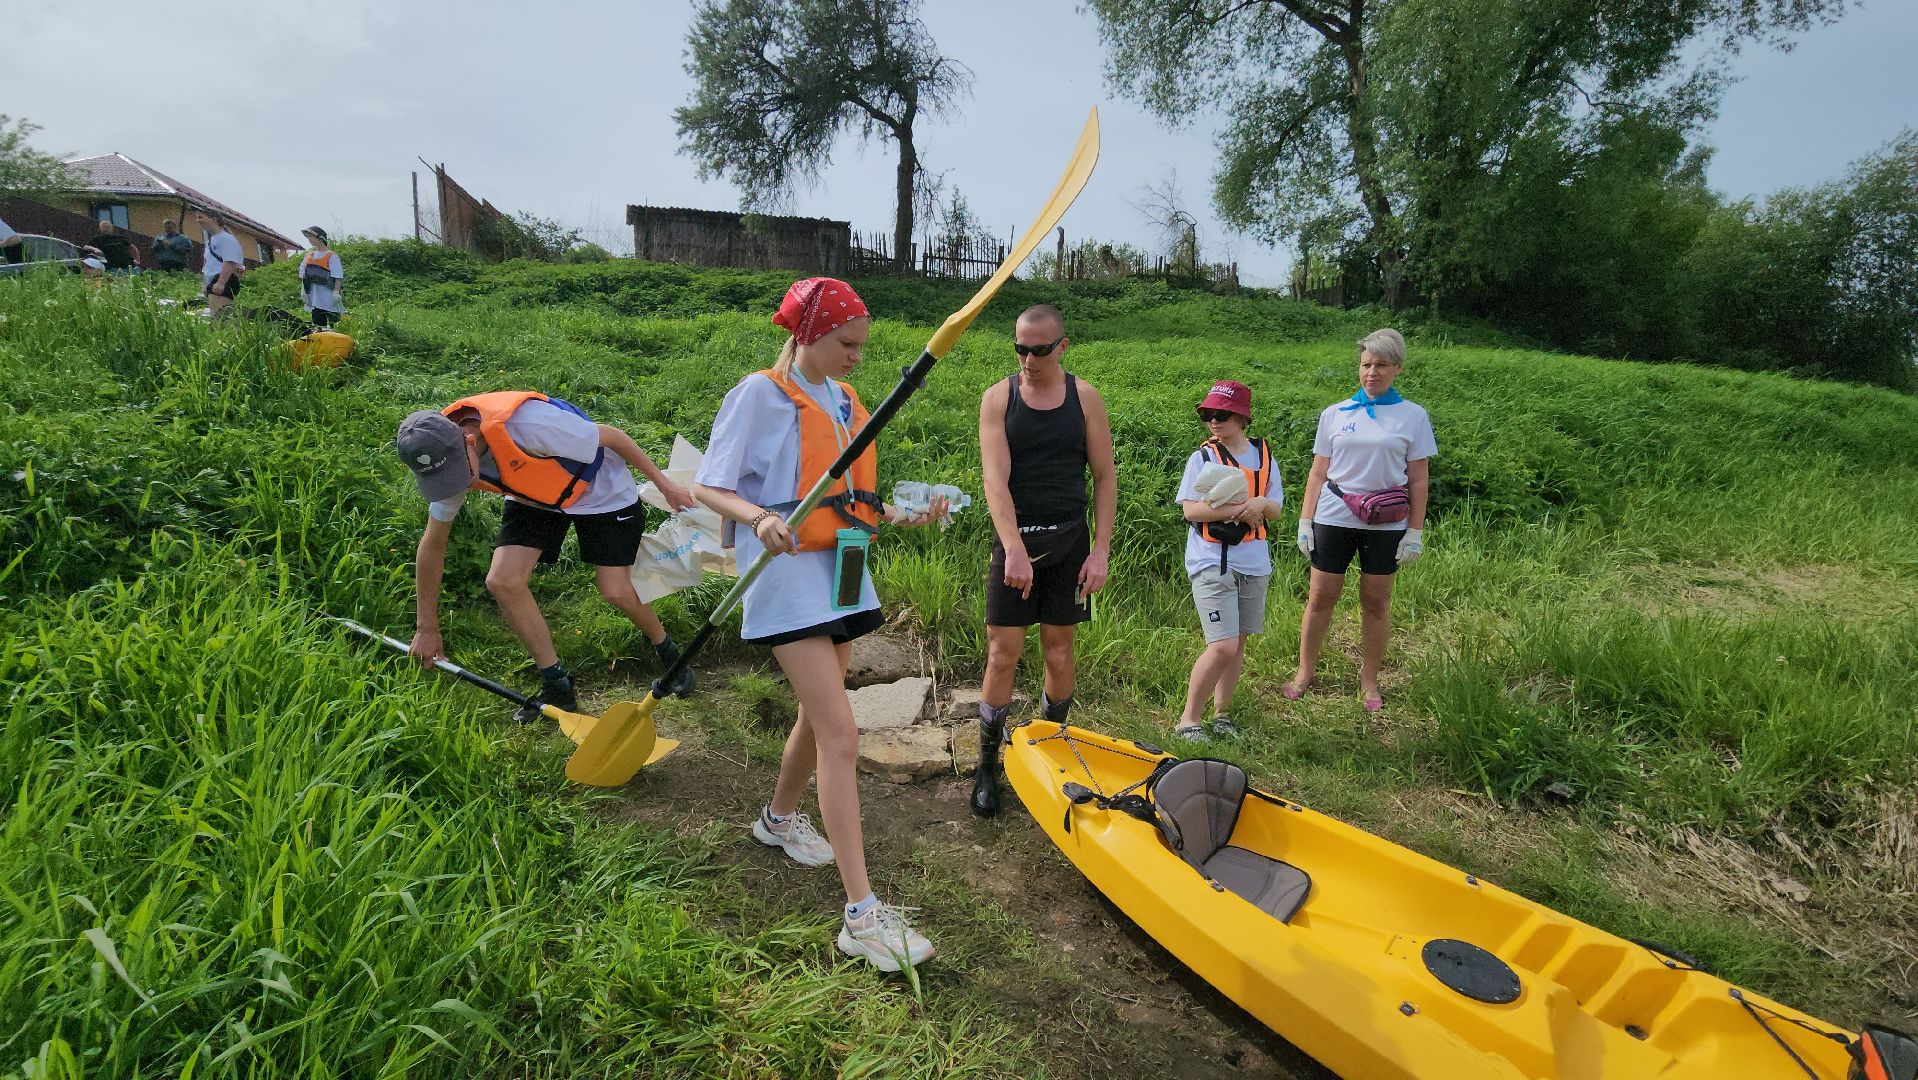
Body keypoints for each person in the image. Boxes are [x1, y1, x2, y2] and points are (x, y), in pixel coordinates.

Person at [694, 277, 949, 972]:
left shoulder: (843, 399)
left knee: (818, 713)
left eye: (863, 347)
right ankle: (862, 917)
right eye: (847, 344)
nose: (857, 358)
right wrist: (759, 518)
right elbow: (708, 485)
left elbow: (852, 499)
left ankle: (777, 819)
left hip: (844, 566)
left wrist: (906, 515)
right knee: (840, 729)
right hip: (786, 578)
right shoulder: (759, 394)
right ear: (809, 334)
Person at [395, 392, 700, 720]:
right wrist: (426, 626)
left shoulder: (532, 425)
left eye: (457, 473)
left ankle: (669, 653)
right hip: (536, 496)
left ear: (469, 440)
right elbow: (433, 545)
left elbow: (614, 437)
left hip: (600, 491)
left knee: (615, 589)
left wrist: (665, 486)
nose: (457, 484)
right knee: (503, 580)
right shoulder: (443, 455)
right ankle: (557, 684)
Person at [971, 304, 1116, 817]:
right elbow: (996, 477)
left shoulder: (1085, 399)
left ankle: (1052, 752)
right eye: (1020, 348)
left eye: (1040, 349)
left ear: (1063, 346)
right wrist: (1011, 545)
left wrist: (1100, 551)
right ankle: (987, 762)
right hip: (1016, 542)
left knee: (1058, 652)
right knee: (1002, 654)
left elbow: (1104, 477)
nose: (1029, 359)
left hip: (1071, 544)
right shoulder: (999, 399)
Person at [1286, 329, 1436, 713]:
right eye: (1366, 364)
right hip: (1334, 518)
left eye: (1382, 365)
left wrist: (1414, 532)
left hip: (1386, 523)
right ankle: (1305, 671)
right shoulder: (1335, 414)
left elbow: (1418, 478)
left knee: (1376, 602)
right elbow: (1318, 472)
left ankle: (1369, 680)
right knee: (1321, 598)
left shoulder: (1413, 416)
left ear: (1398, 368)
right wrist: (1306, 521)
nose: (1373, 373)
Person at [1173, 380, 1283, 740]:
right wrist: (1238, 508)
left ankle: (1222, 715)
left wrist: (1259, 505)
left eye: (1221, 415)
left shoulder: (1264, 455)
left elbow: (1276, 508)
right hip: (1212, 561)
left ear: (1242, 417)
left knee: (1238, 641)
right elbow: (1190, 509)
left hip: (1253, 561)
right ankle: (1189, 721)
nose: (1213, 422)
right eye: (1207, 415)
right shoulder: (1203, 457)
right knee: (1222, 645)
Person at [193, 209, 245, 314]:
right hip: (214, 282)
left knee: (220, 317)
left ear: (214, 220)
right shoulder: (212, 240)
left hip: (223, 280)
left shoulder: (226, 239)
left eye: (201, 217)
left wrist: (221, 283)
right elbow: (209, 264)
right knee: (217, 317)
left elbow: (230, 261)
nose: (197, 221)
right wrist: (206, 285)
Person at [297, 226, 344, 328]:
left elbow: (338, 276)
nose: (309, 239)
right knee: (318, 327)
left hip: (329, 297)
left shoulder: (331, 256)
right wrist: (303, 291)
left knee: (335, 326)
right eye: (308, 237)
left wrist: (336, 293)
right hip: (314, 297)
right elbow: (304, 276)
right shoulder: (309, 256)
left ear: (320, 238)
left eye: (311, 236)